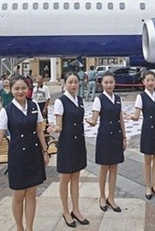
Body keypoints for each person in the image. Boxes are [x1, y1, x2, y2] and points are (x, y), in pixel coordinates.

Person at [0, 75, 49, 231]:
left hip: (34, 154)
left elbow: (39, 131)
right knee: (18, 196)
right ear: (10, 90)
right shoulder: (7, 111)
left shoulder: (34, 106)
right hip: (18, 156)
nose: (20, 91)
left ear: (28, 89)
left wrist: (45, 151)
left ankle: (30, 228)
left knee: (32, 194)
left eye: (23, 88)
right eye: (16, 88)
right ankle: (19, 227)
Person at [49, 73, 89, 227]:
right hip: (66, 143)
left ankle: (76, 209)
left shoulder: (79, 100)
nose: (73, 85)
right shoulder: (61, 101)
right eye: (70, 82)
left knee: (76, 177)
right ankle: (66, 211)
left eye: (76, 82)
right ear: (64, 83)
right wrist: (54, 128)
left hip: (79, 141)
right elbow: (59, 125)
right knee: (65, 178)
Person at [86, 72, 126, 212]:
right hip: (104, 136)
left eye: (111, 82)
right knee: (104, 168)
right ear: (101, 84)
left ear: (115, 83)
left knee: (114, 167)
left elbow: (120, 118)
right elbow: (95, 119)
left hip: (116, 135)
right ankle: (102, 196)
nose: (109, 85)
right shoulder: (99, 99)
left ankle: (111, 197)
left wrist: (124, 137)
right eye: (106, 82)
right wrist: (90, 122)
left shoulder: (118, 99)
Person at [127, 71, 155, 200]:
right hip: (148, 130)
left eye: (152, 80)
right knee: (147, 160)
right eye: (148, 80)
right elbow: (137, 116)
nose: (150, 83)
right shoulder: (141, 97)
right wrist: (129, 117)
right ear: (143, 82)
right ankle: (148, 187)